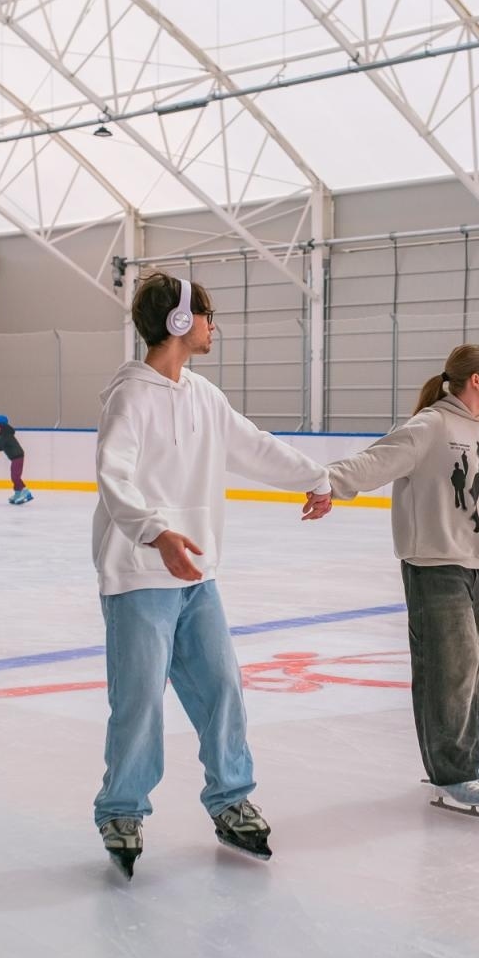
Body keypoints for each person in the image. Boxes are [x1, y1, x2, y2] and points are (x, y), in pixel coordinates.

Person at [91, 271, 333, 878]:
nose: (211, 326)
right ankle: (122, 809)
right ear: (178, 323)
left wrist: (315, 476)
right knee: (140, 702)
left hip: (197, 578)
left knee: (223, 687)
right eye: (204, 315)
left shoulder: (204, 395)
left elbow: (254, 446)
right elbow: (113, 476)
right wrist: (155, 532)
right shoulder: (130, 397)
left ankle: (231, 800)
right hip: (139, 578)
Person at [325, 345, 479, 818]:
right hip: (433, 565)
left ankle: (464, 763)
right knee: (449, 672)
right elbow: (370, 463)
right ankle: (449, 773)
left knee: (474, 673)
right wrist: (323, 485)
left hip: (476, 564)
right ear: (475, 380)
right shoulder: (430, 426)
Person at [0, 414, 32, 505]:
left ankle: (26, 492)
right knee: (14, 477)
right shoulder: (5, 436)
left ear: (0, 426)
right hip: (15, 458)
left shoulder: (6, 436)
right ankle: (17, 494)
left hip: (18, 457)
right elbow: (1, 446)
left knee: (15, 477)